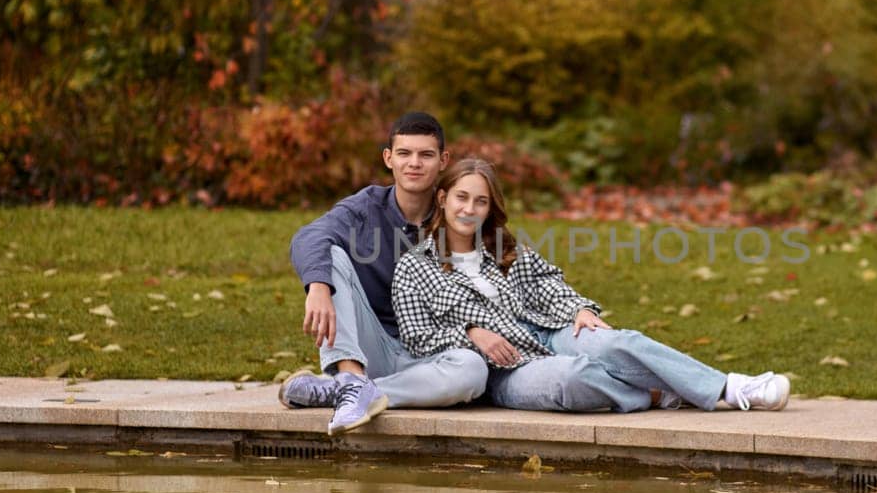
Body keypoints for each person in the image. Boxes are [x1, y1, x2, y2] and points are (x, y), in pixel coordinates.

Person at [391, 157, 791, 413]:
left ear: (490, 208)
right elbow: (417, 338)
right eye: (462, 197)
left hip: (548, 331)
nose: (469, 209)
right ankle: (659, 392)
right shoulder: (414, 268)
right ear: (442, 199)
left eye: (480, 202)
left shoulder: (504, 250)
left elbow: (549, 284)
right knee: (571, 378)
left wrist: (578, 310)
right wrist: (471, 333)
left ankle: (731, 388)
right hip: (507, 368)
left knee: (618, 342)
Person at [282, 113, 489, 433]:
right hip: (370, 345)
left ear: (444, 160)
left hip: (429, 354)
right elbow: (309, 237)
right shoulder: (366, 207)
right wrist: (319, 286)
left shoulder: (460, 213)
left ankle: (352, 392)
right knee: (330, 254)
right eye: (404, 153)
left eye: (426, 155)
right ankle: (351, 377)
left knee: (473, 372)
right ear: (388, 158)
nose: (414, 163)